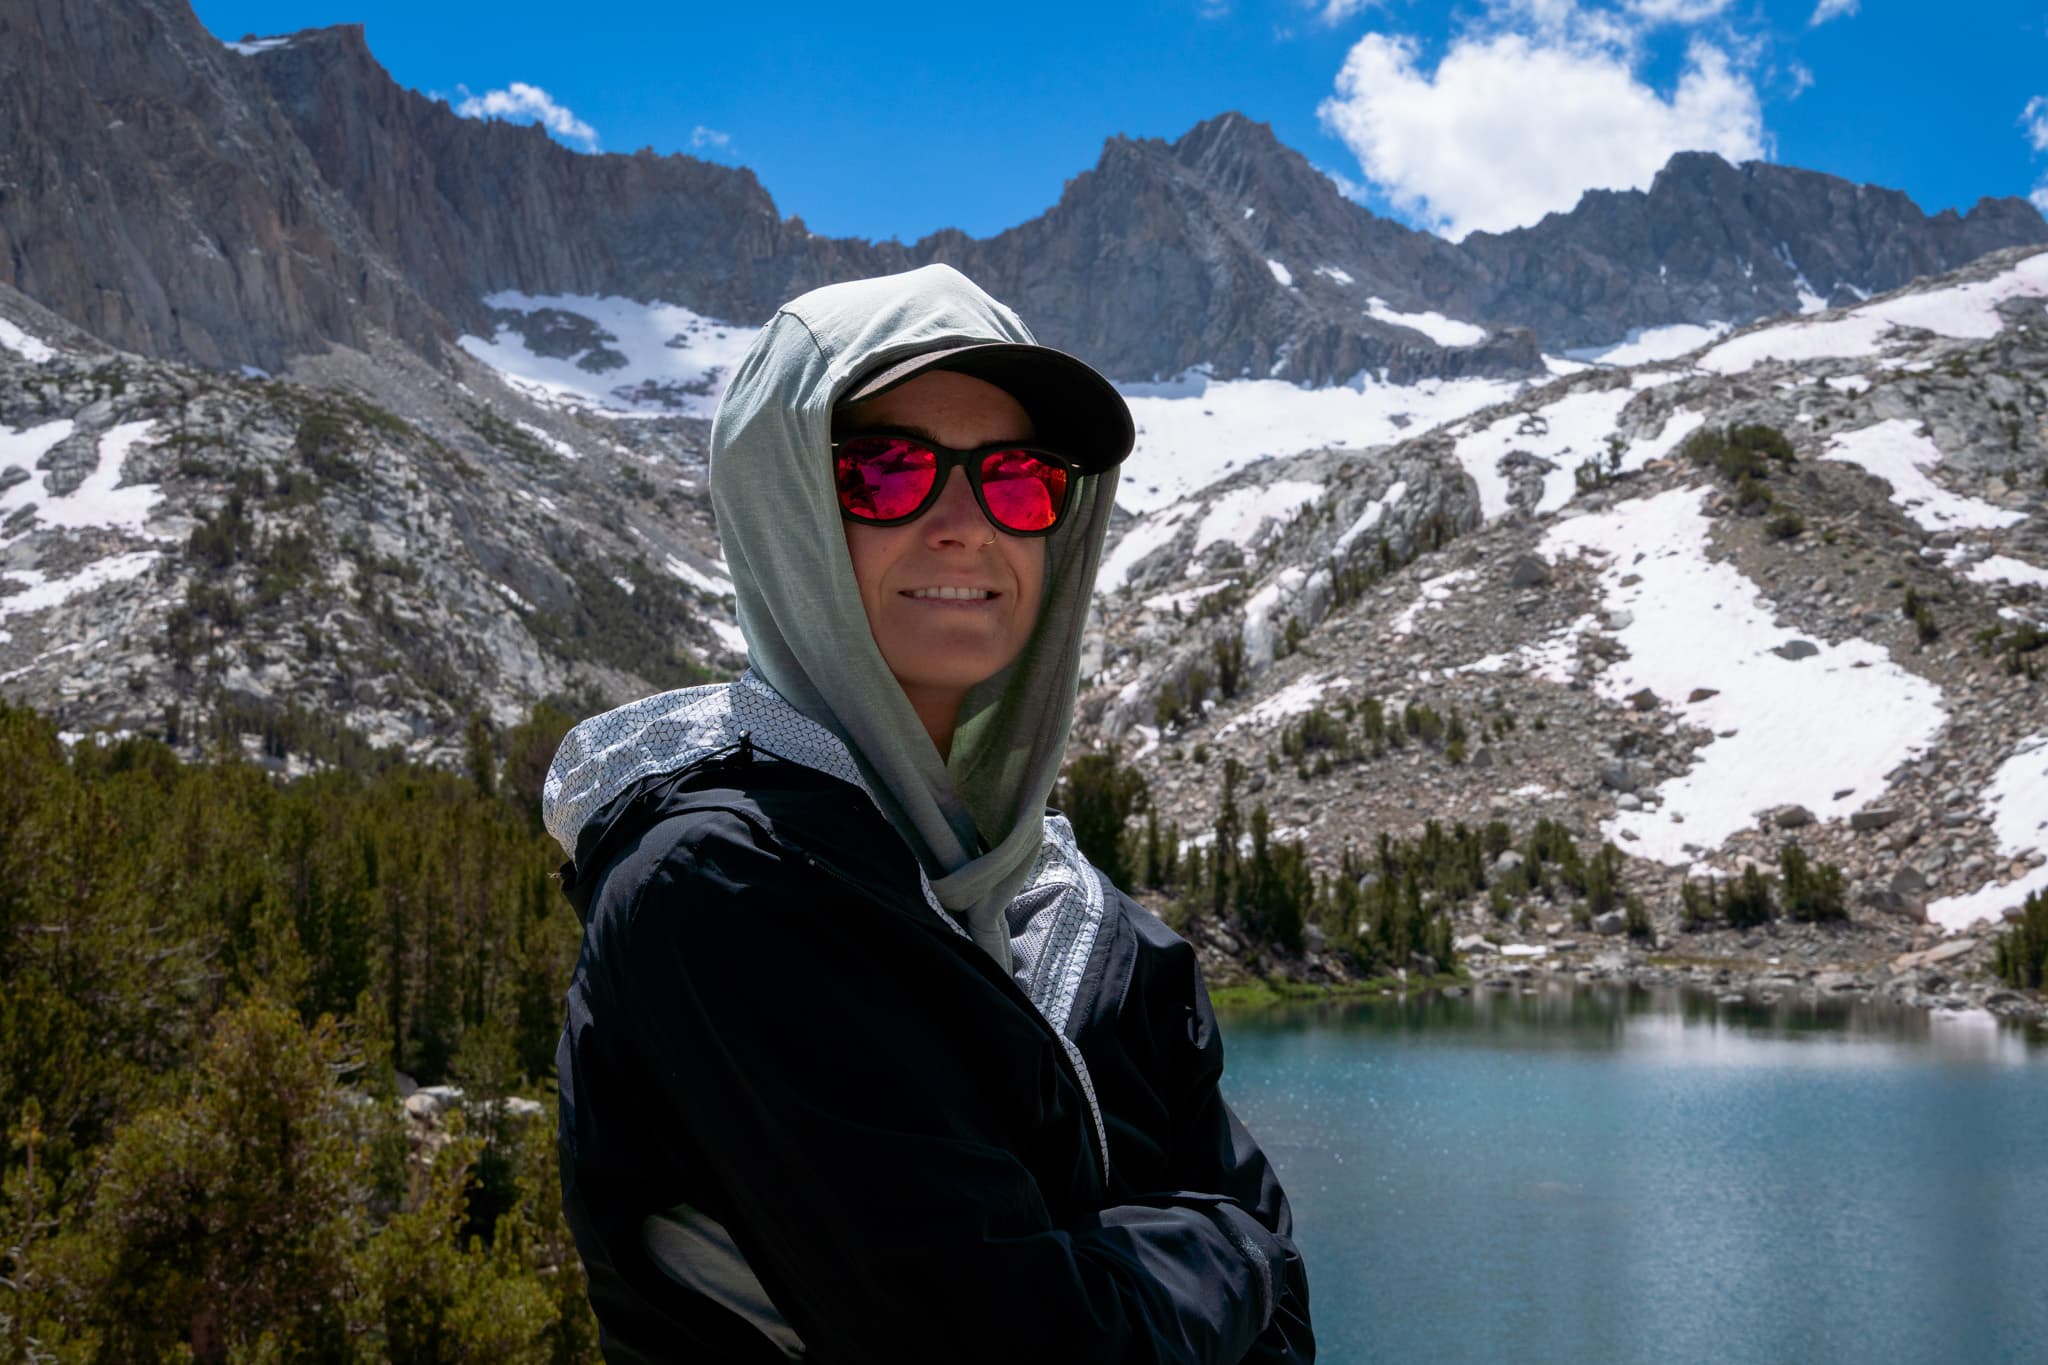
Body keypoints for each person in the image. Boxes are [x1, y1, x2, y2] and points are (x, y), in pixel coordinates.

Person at [546, 264, 1314, 1363]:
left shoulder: (1096, 930)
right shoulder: (719, 886)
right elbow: (1014, 1343)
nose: (963, 525)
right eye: (886, 470)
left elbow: (1287, 1336)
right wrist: (1229, 1248)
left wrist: (1177, 1275)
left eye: (1016, 480)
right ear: (787, 514)